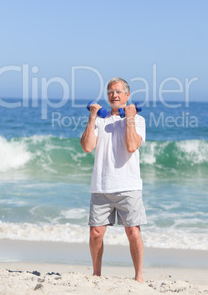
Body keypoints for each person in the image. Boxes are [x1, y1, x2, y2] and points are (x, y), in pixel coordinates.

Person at [80, 77, 147, 283]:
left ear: (127, 95)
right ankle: (97, 274)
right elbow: (87, 146)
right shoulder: (99, 120)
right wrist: (92, 118)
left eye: (118, 92)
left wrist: (129, 118)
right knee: (95, 233)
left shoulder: (139, 121)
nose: (114, 95)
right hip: (101, 185)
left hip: (129, 186)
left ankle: (138, 277)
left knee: (133, 232)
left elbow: (131, 145)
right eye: (110, 92)